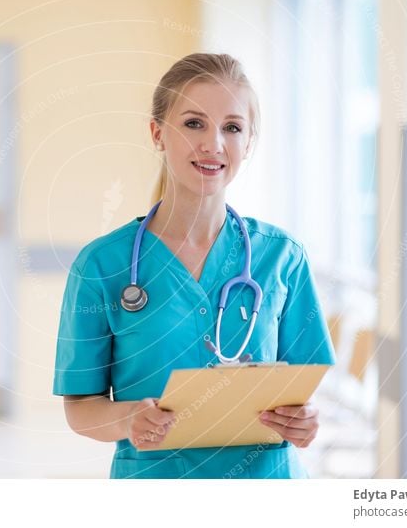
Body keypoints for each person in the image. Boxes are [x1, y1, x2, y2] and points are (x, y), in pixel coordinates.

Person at [52, 53, 335, 479]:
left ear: (248, 143)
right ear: (157, 133)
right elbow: (80, 408)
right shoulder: (102, 265)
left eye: (233, 128)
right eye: (193, 123)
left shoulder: (283, 257)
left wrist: (305, 420)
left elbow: (303, 392)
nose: (213, 144)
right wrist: (128, 418)